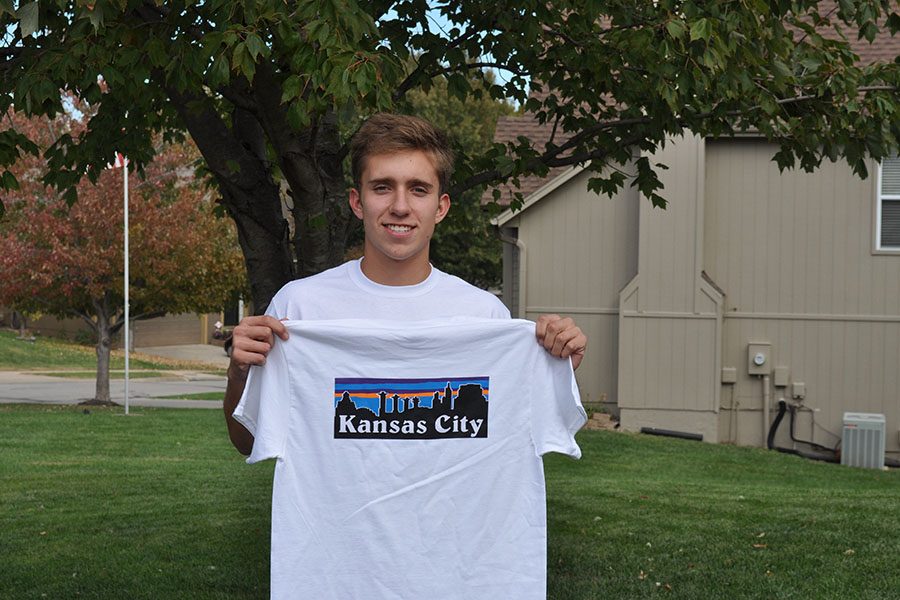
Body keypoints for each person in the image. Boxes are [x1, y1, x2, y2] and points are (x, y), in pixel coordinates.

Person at [223, 112, 587, 454]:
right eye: (382, 187)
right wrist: (239, 373)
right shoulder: (298, 309)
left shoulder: (485, 316)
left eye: (418, 189)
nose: (400, 206)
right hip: (335, 524)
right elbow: (248, 442)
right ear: (357, 202)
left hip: (452, 524)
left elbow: (520, 433)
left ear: (441, 207)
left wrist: (555, 365)